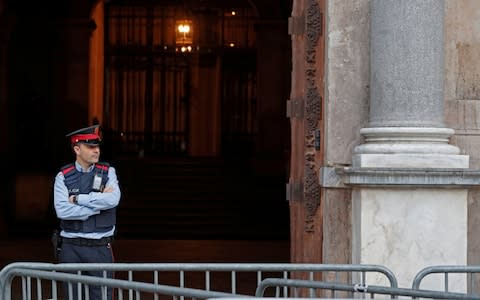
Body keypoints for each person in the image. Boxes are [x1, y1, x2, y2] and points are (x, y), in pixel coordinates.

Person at [53, 124, 121, 300]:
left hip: (99, 247)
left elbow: (113, 200)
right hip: (70, 247)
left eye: (97, 146)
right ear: (77, 149)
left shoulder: (108, 172)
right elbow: (62, 211)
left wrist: (78, 200)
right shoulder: (63, 176)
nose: (96, 150)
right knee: (72, 296)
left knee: (102, 296)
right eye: (90, 147)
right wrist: (98, 205)